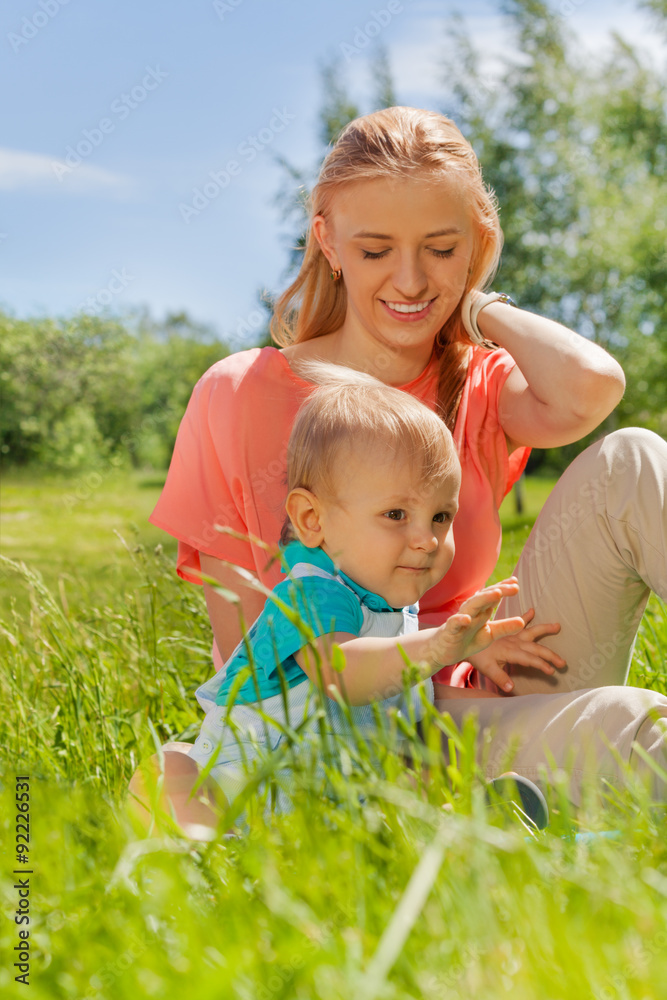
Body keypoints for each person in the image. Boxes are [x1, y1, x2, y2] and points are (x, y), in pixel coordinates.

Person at [132, 106, 667, 831]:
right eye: (376, 248)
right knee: (633, 728)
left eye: (440, 249)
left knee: (632, 457)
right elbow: (259, 665)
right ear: (326, 238)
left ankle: (517, 800)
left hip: (500, 671)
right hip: (371, 730)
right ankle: (477, 812)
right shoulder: (240, 394)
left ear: (475, 244)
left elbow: (591, 386)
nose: (410, 281)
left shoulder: (471, 379)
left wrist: (471, 306)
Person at [184, 362, 553, 822]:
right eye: (397, 514)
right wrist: (437, 649)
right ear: (312, 521)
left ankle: (476, 824)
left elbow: (390, 705)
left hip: (336, 793)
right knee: (205, 804)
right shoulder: (313, 594)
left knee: (401, 805)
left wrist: (465, 647)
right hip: (258, 786)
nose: (427, 539)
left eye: (441, 517)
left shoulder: (390, 601)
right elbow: (343, 675)